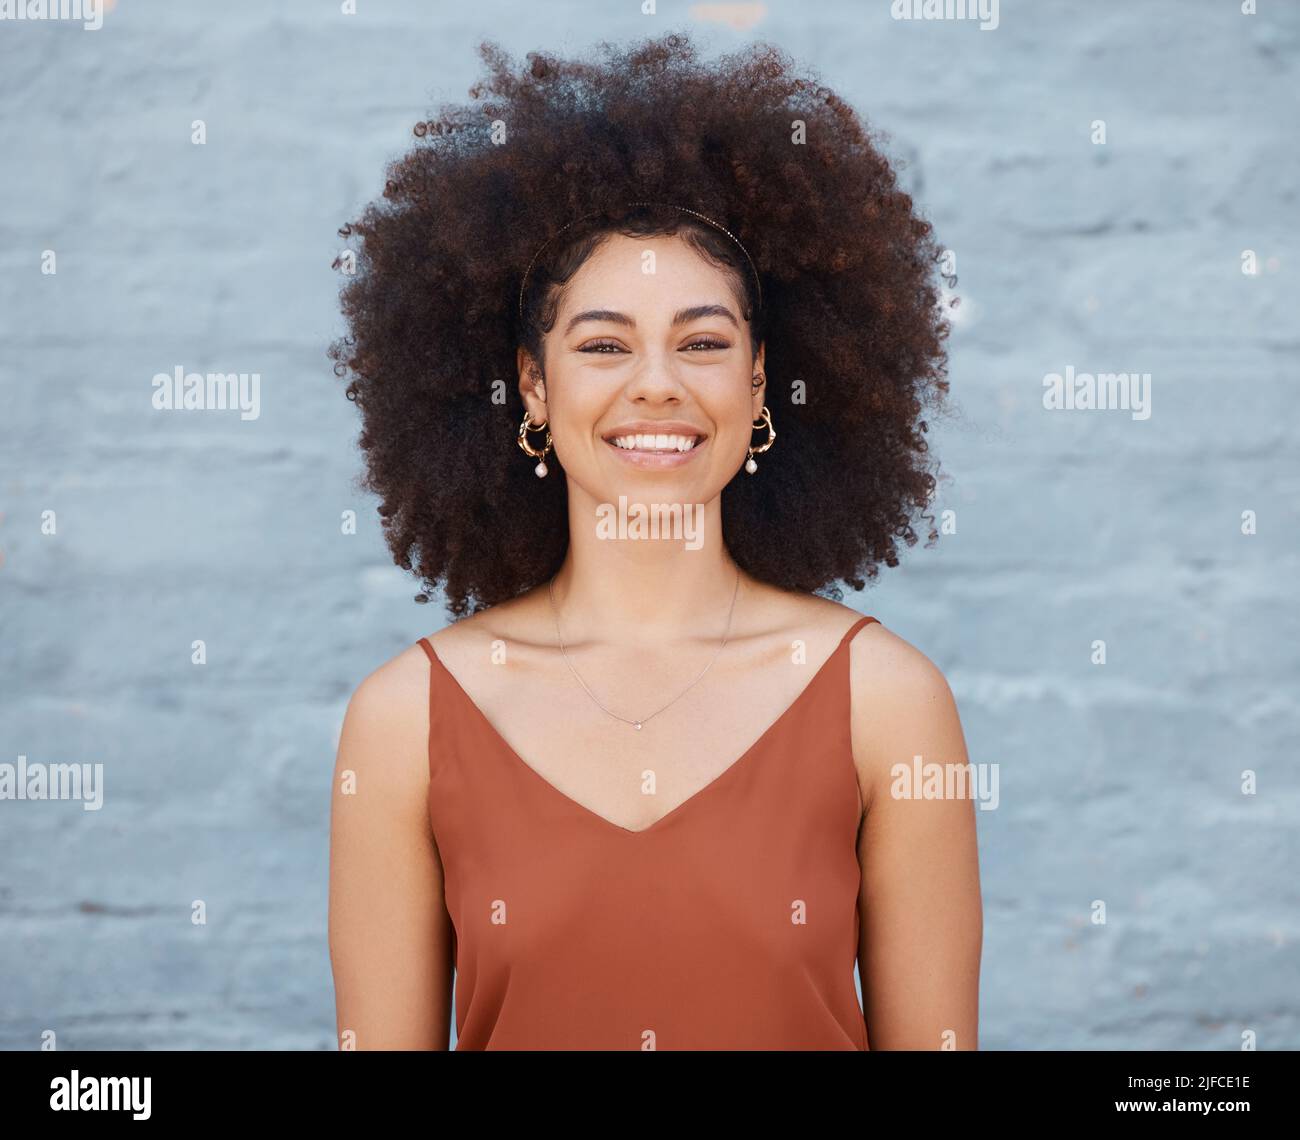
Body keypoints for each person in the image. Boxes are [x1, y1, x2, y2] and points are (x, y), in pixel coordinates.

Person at [327, 31, 981, 1050]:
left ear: (758, 383)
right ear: (533, 386)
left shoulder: (886, 703)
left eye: (703, 342)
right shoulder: (404, 721)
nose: (657, 385)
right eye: (601, 345)